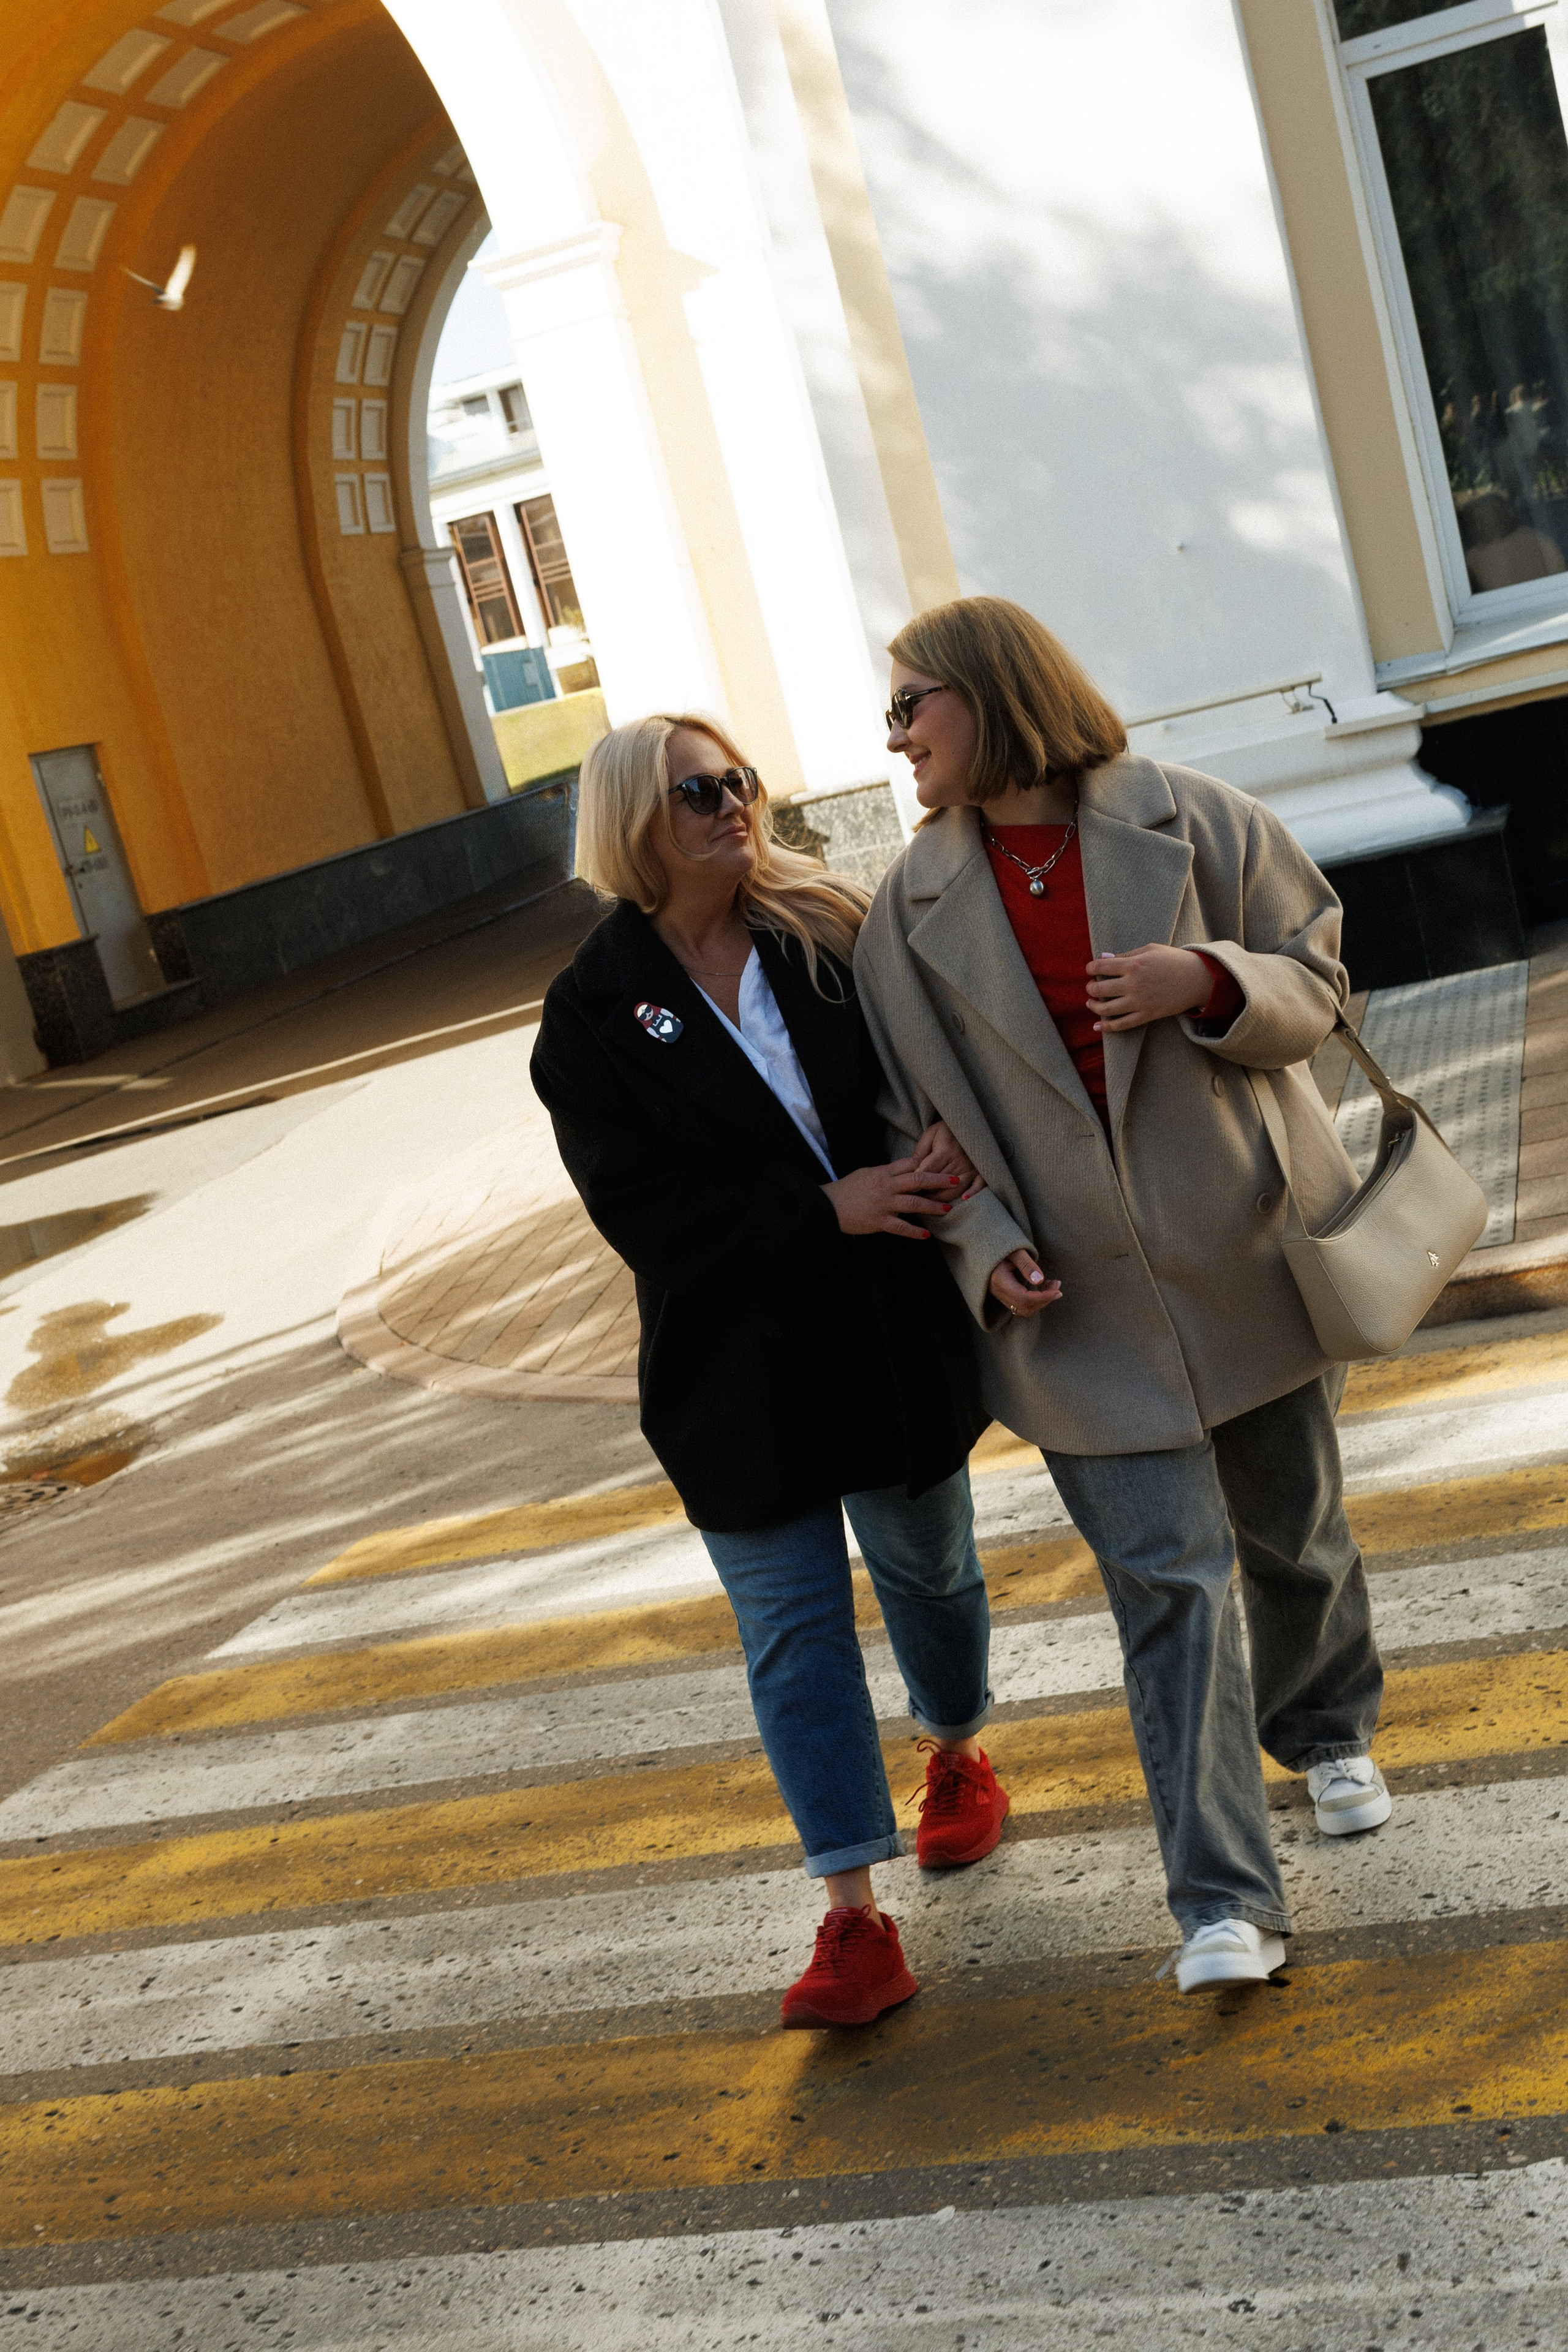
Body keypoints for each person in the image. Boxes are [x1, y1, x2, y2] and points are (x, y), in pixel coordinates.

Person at [853, 595, 1390, 1996]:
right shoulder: (903, 914)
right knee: (1171, 1592)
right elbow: (914, 1123)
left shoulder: (1194, 820)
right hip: (1075, 1317)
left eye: (911, 704)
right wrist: (978, 1245)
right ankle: (1220, 1901)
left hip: (1250, 1258)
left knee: (1291, 1531)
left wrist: (1203, 978)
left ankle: (1327, 1729)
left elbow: (1322, 983)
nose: (893, 733)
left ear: (988, 694)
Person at [530, 712, 1012, 2030]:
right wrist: (827, 1208)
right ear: (638, 820)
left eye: (736, 781)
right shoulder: (587, 1013)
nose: (729, 805)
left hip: (882, 1344)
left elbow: (930, 1086)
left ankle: (958, 1754)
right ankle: (854, 1920)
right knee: (793, 1639)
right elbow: (646, 1217)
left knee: (930, 1572)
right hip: (734, 1378)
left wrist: (935, 1175)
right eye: (696, 792)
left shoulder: (832, 935)